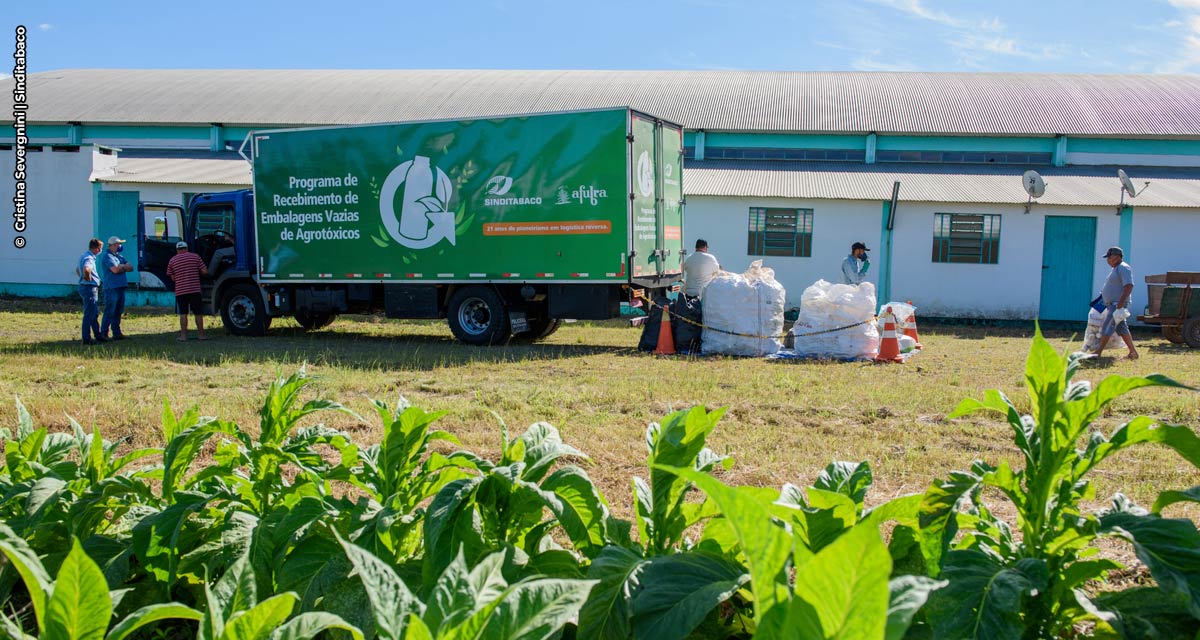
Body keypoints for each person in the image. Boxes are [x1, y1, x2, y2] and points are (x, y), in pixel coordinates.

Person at [1093, 246, 1139, 360]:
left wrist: (1120, 303)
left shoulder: (1123, 268)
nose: (1108, 260)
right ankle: (1133, 353)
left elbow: (1129, 286)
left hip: (1117, 304)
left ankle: (1098, 352)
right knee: (1121, 328)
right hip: (1113, 304)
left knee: (1108, 326)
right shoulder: (1116, 268)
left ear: (1117, 257)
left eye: (1109, 257)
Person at [166, 240, 209, 341]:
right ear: (187, 248)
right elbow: (204, 271)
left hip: (181, 291)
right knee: (198, 313)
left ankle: (183, 336)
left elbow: (173, 278)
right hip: (194, 289)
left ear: (177, 250)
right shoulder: (195, 257)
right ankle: (201, 335)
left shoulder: (172, 260)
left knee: (183, 313)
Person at [100, 235, 134, 340]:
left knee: (118, 311)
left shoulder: (119, 256)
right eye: (119, 244)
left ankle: (117, 333)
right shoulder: (107, 256)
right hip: (111, 287)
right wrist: (123, 267)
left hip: (120, 286)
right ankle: (104, 333)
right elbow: (115, 270)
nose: (120, 246)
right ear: (113, 245)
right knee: (110, 311)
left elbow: (131, 267)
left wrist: (121, 267)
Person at [76, 238, 104, 345]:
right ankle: (86, 338)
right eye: (100, 248)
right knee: (89, 314)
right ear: (97, 249)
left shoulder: (83, 256)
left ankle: (98, 335)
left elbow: (77, 270)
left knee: (93, 313)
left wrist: (83, 278)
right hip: (89, 288)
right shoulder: (89, 258)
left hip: (84, 286)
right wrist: (88, 278)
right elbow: (86, 269)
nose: (100, 250)